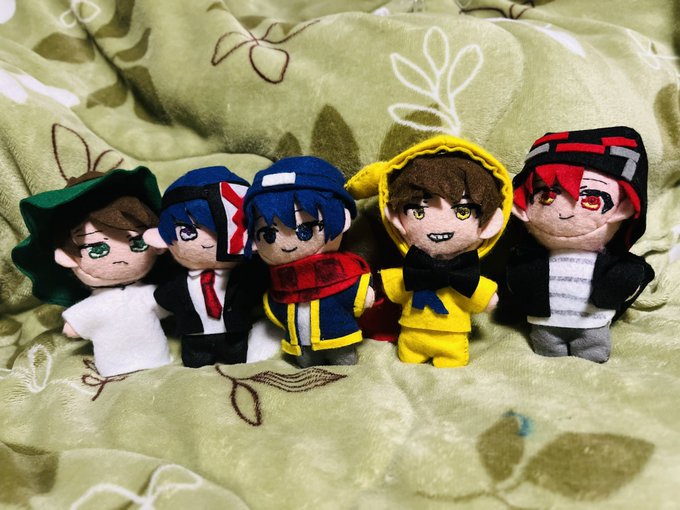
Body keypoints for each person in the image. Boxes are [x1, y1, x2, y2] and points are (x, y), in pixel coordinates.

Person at [346, 135, 513, 367]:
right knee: (409, 355)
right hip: (410, 339)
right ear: (396, 220)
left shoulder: (465, 278)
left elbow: (487, 300)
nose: (440, 226)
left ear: (489, 224)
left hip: (453, 342)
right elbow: (389, 288)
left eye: (462, 212)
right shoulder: (411, 273)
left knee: (451, 362)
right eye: (419, 211)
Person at [508, 126, 655, 362]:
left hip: (592, 325)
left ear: (623, 208)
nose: (565, 212)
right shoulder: (527, 259)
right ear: (522, 208)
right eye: (546, 196)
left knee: (593, 353)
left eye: (591, 199)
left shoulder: (611, 262)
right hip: (544, 325)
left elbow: (629, 276)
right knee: (547, 354)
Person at [12, 168, 172, 377]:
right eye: (98, 249)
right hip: (114, 364)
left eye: (138, 243)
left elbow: (169, 305)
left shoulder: (148, 292)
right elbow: (73, 327)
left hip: (156, 357)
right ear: (67, 257)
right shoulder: (97, 305)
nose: (120, 258)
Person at [243, 156, 374, 367]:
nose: (287, 244)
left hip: (338, 337)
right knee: (305, 364)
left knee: (344, 361)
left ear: (342, 219)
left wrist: (362, 294)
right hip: (299, 343)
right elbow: (277, 305)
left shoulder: (341, 269)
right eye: (268, 235)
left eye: (305, 230)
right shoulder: (278, 281)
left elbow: (352, 290)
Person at [143, 166, 267, 368]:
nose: (207, 242)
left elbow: (257, 294)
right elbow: (164, 298)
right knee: (194, 367)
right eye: (188, 232)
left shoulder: (246, 277)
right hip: (194, 337)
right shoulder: (175, 281)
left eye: (222, 230)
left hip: (234, 335)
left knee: (238, 363)